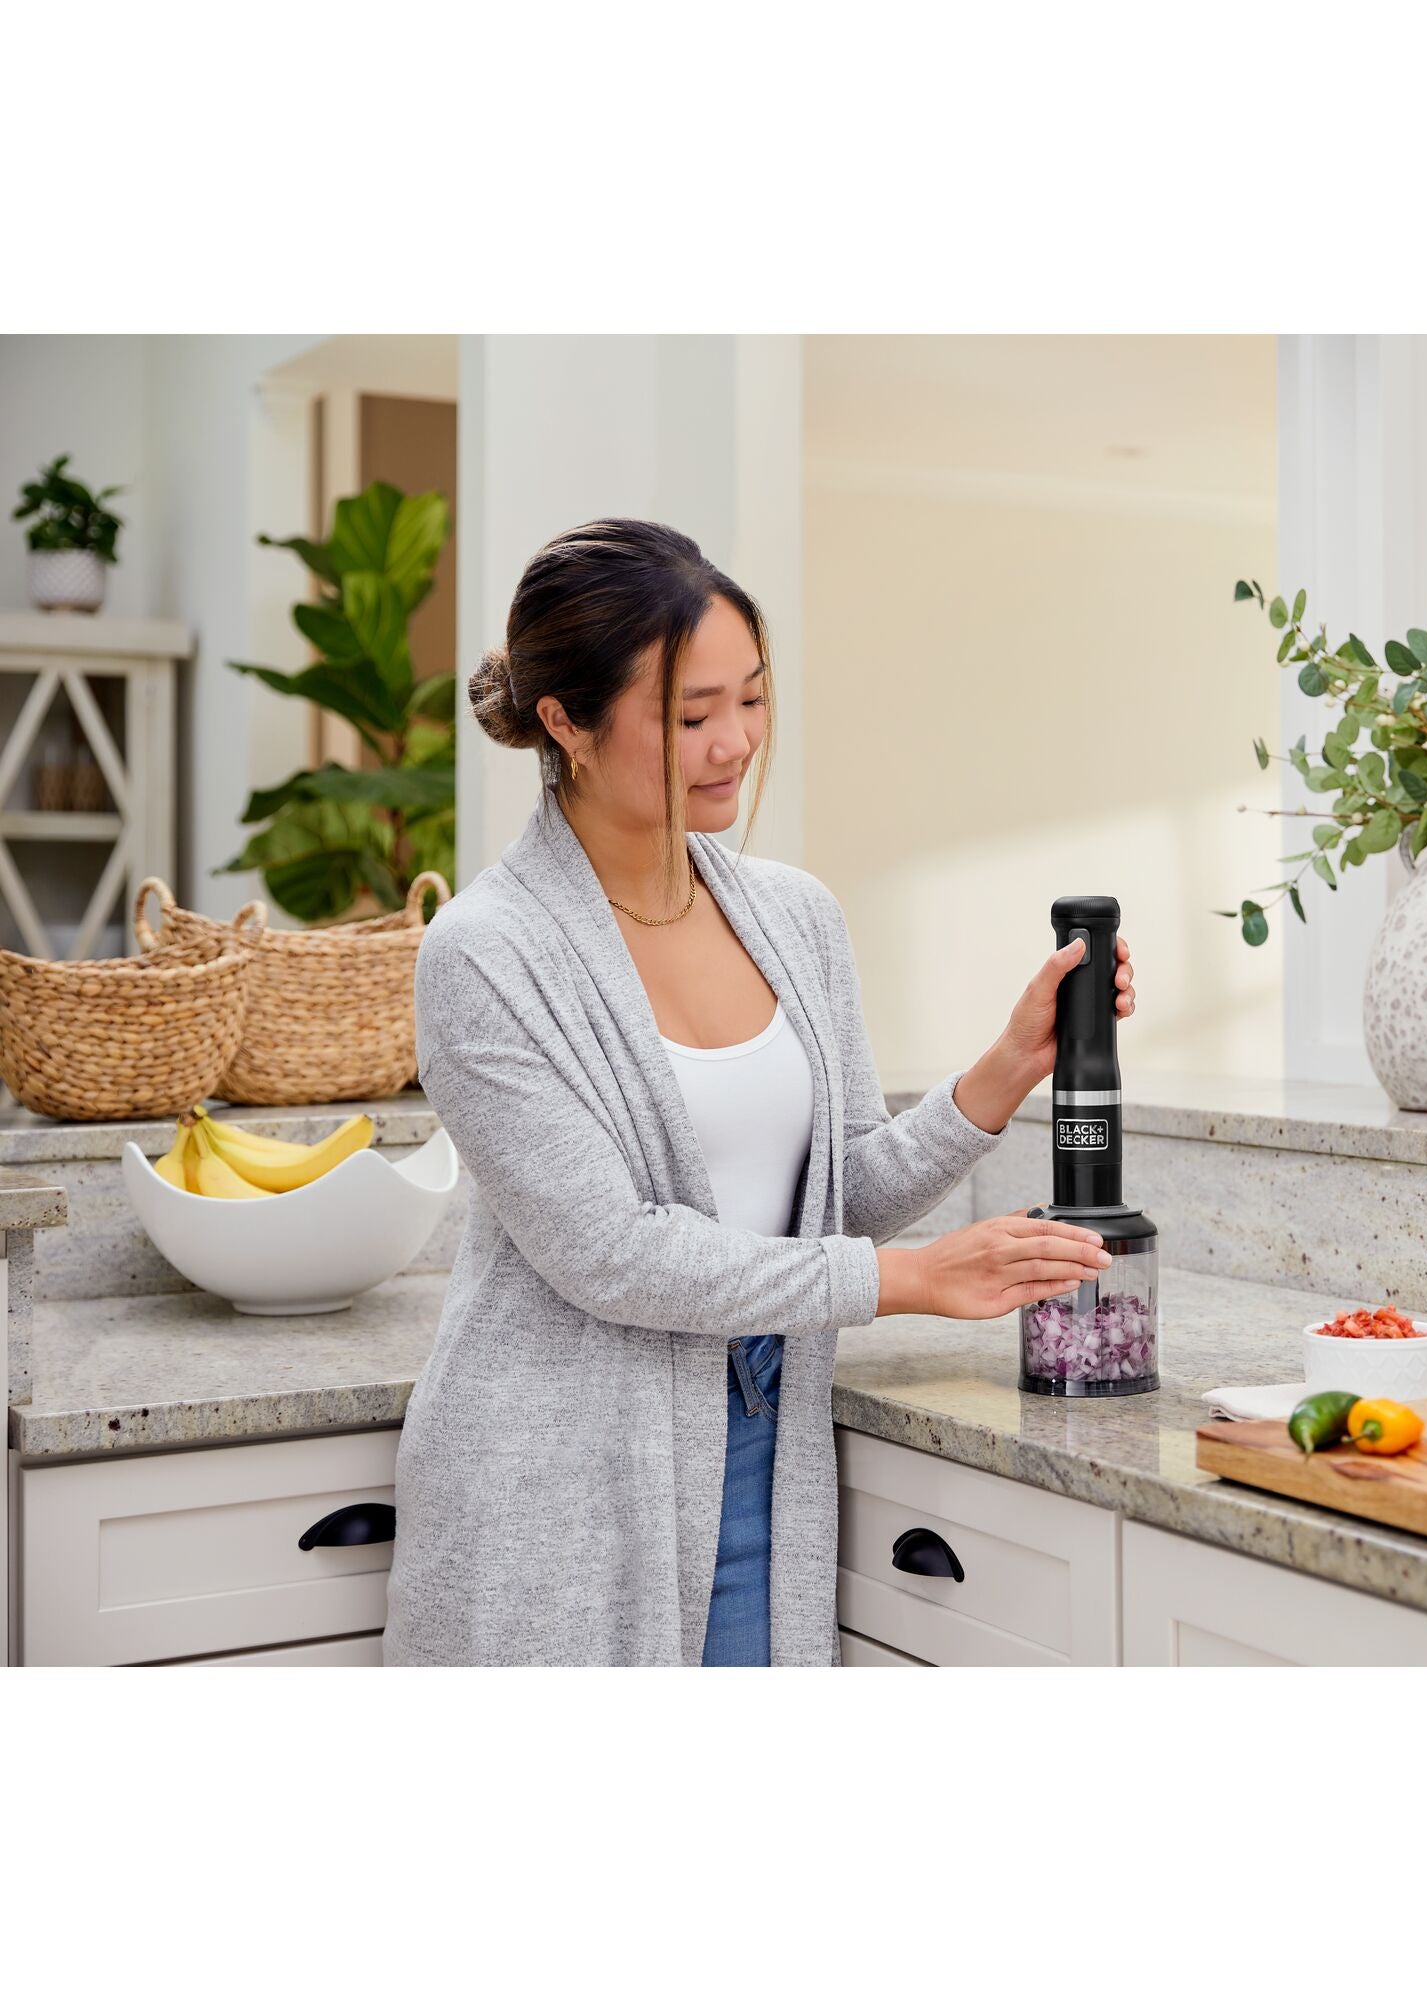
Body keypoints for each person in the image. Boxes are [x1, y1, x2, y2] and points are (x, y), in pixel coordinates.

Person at [380, 519, 1137, 1666]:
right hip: (567, 1490)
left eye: (753, 698)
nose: (733, 741)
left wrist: (1002, 1069)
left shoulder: (794, 917)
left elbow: (830, 1194)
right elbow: (609, 1251)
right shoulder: (486, 951)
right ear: (565, 723)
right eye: (689, 716)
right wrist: (906, 1281)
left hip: (770, 1449)